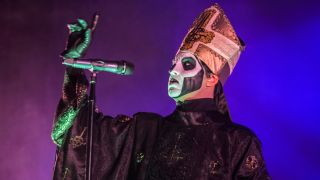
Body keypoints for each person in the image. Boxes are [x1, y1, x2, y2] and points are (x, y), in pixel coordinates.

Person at [51, 4, 270, 180]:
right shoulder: (145, 130)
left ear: (212, 77)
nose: (173, 70)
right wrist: (74, 66)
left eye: (186, 64)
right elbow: (74, 133)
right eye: (174, 63)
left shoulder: (236, 143)